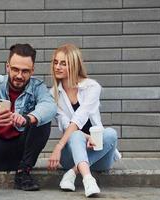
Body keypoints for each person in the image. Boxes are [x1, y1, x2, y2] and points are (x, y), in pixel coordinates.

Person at [0, 43, 57, 199]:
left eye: (25, 71)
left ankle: (23, 174)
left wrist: (28, 119)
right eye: (15, 69)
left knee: (42, 121)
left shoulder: (38, 87)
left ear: (32, 70)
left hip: (21, 155)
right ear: (7, 66)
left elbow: (50, 107)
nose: (19, 75)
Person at [47, 44, 121, 197]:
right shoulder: (53, 94)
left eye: (63, 63)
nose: (57, 67)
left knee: (111, 134)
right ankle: (88, 180)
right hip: (72, 154)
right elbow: (67, 125)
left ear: (74, 65)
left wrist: (58, 147)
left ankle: (73, 173)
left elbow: (80, 117)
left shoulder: (92, 87)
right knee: (75, 135)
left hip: (98, 154)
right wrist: (86, 137)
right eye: (55, 62)